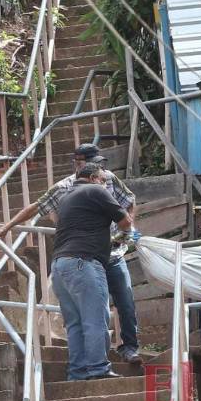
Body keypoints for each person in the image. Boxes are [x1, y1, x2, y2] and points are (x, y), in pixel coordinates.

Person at [0, 163, 133, 380]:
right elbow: (126, 221)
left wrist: (5, 228)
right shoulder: (96, 191)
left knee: (74, 324)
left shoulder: (66, 197)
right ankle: (99, 369)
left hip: (59, 267)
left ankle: (77, 372)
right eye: (103, 180)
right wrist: (122, 237)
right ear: (93, 178)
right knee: (96, 318)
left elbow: (39, 209)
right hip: (84, 263)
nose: (106, 184)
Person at [43, 143, 142, 364]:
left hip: (111, 254)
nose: (102, 177)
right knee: (96, 313)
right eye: (94, 166)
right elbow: (44, 208)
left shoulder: (107, 179)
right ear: (79, 165)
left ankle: (124, 349)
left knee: (124, 302)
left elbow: (129, 201)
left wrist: (127, 232)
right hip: (86, 257)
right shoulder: (66, 187)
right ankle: (97, 365)